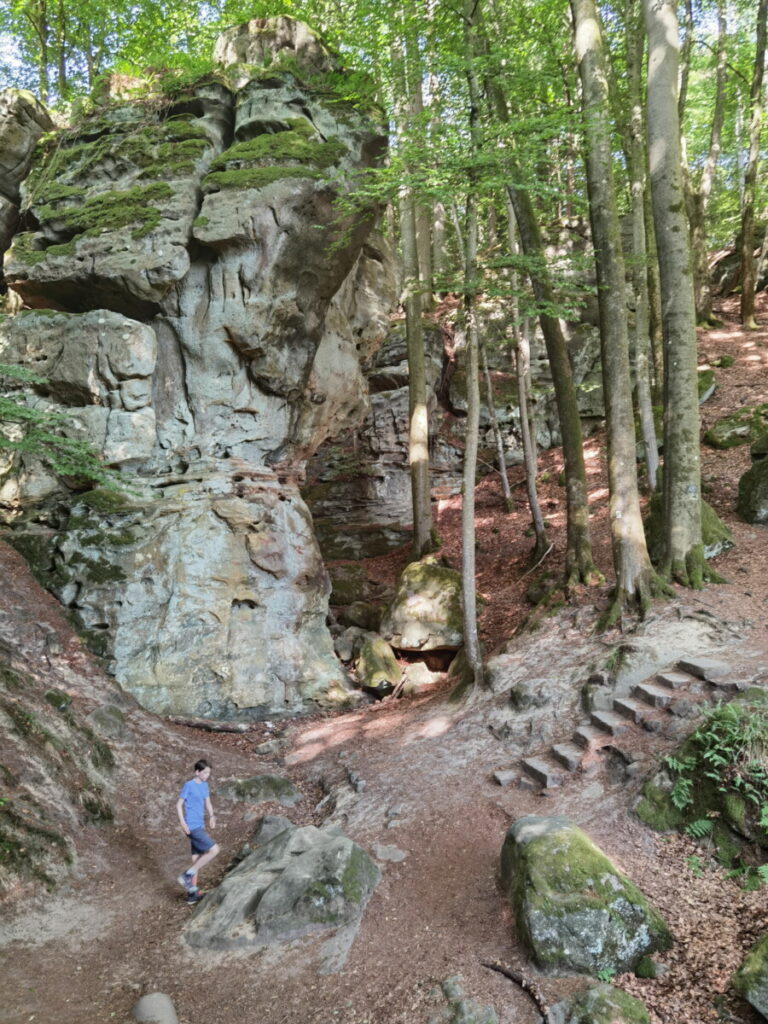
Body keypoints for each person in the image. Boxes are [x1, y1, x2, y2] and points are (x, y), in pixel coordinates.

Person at [176, 758, 220, 905]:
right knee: (214, 850)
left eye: (209, 773)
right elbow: (179, 805)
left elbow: (208, 802)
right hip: (191, 826)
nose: (207, 775)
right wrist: (183, 823)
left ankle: (192, 894)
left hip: (199, 825)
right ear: (197, 772)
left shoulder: (205, 785)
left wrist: (212, 816)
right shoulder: (189, 785)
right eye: (205, 772)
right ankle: (186, 876)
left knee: (197, 859)